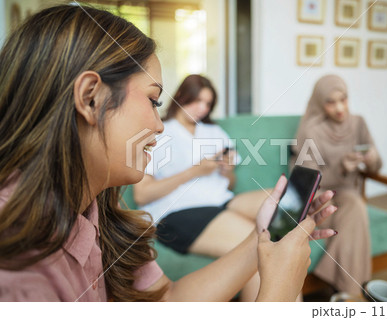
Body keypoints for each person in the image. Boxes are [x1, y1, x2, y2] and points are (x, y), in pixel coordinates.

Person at [0, 5, 337, 302]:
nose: (158, 125)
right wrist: (276, 295)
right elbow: (148, 191)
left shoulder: (98, 209)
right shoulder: (18, 271)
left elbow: (168, 300)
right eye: (152, 100)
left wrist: (258, 236)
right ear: (91, 98)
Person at [134, 74, 285, 301]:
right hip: (179, 211)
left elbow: (230, 183)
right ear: (182, 97)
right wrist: (194, 171)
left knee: (281, 206)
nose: (202, 109)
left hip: (219, 201)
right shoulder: (162, 132)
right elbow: (142, 194)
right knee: (261, 248)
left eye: (208, 104)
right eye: (197, 101)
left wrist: (226, 169)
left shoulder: (213, 132)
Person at [291, 74, 382, 295]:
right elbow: (309, 182)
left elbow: (377, 166)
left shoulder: (358, 123)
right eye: (331, 102)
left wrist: (371, 159)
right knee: (352, 208)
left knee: (354, 205)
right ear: (320, 103)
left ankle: (346, 294)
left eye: (343, 99)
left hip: (347, 195)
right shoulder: (311, 130)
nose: (340, 108)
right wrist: (341, 167)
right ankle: (355, 294)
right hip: (319, 197)